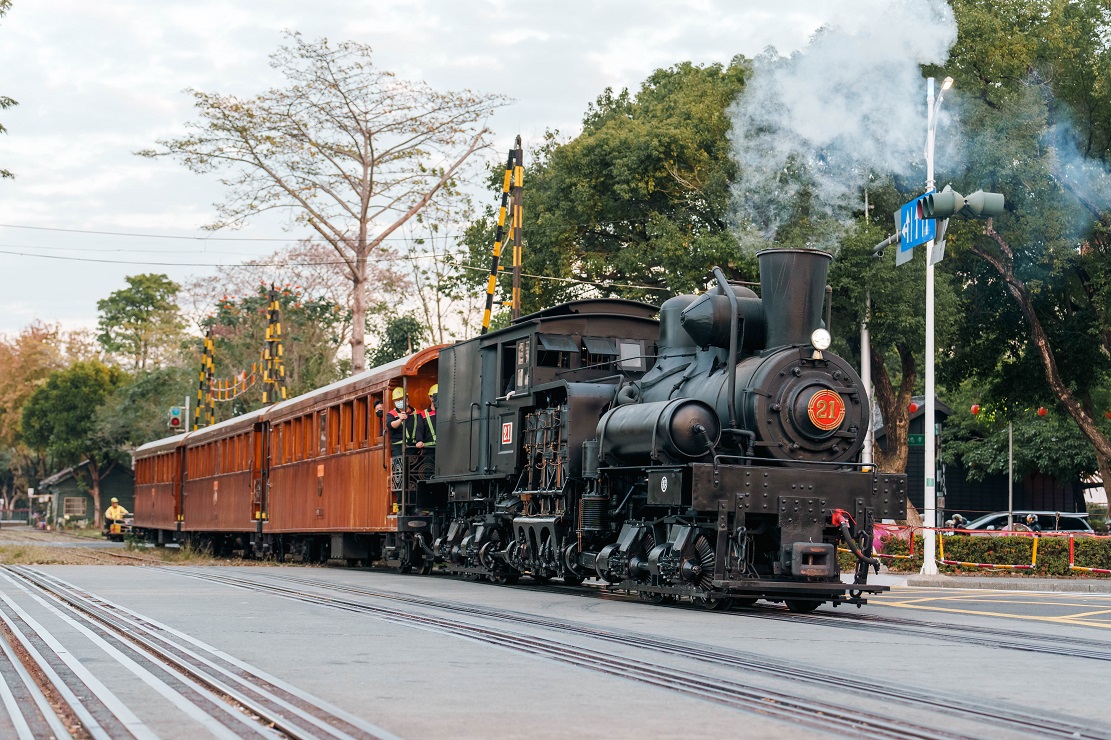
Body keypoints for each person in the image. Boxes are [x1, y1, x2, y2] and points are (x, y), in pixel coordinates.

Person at [386, 387, 421, 456]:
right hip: (398, 449)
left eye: (401, 399)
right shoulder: (392, 414)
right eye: (397, 400)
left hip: (415, 448)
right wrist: (400, 420)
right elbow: (390, 425)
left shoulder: (418, 412)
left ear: (407, 398)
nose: (399, 401)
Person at [416, 384, 437, 454]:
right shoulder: (423, 414)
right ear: (430, 397)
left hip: (445, 449)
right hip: (429, 450)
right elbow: (419, 429)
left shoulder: (446, 413)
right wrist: (419, 441)